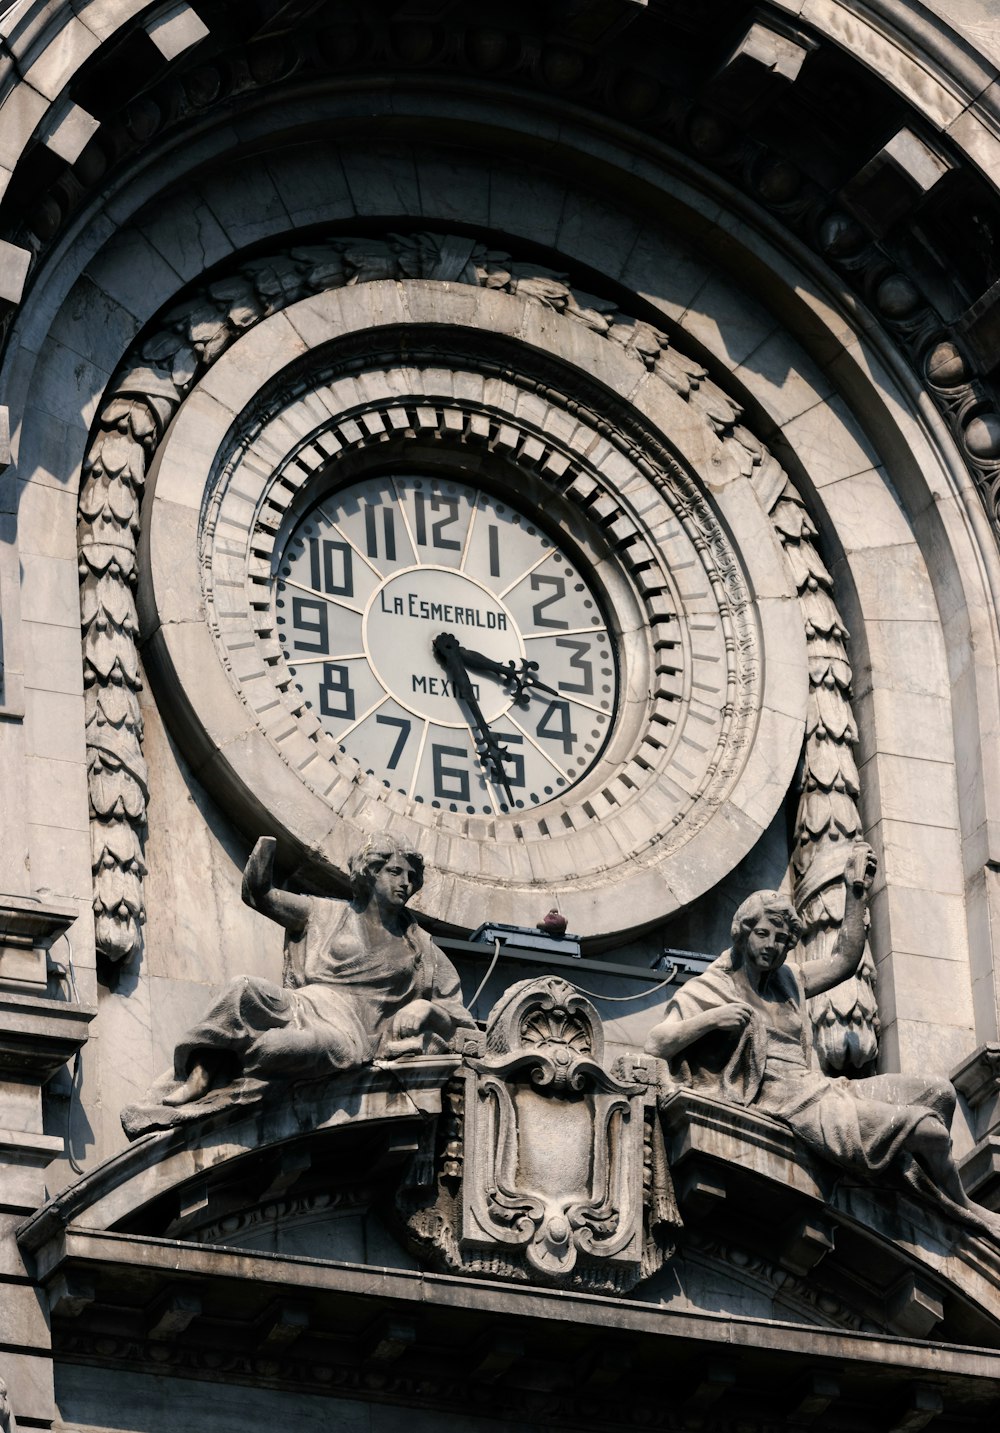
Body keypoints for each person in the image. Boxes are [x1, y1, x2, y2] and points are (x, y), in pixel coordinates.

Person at [645, 843, 998, 1234]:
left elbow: (844, 961)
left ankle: (921, 1184)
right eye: (763, 934)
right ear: (743, 934)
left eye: (781, 940)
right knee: (927, 1129)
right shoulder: (711, 989)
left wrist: (855, 894)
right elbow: (657, 1044)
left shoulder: (789, 981)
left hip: (823, 1088)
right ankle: (961, 1208)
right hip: (792, 1103)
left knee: (939, 1093)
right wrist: (713, 1020)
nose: (772, 947)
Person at [139, 833, 475, 1118]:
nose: (406, 882)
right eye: (395, 872)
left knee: (275, 1049)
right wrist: (266, 849)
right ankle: (200, 1071)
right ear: (370, 873)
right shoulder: (325, 914)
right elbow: (259, 895)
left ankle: (226, 1072)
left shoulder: (421, 947)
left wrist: (427, 1009)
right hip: (304, 1004)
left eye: (411, 876)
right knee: (242, 989)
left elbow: (464, 1027)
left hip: (348, 1031)